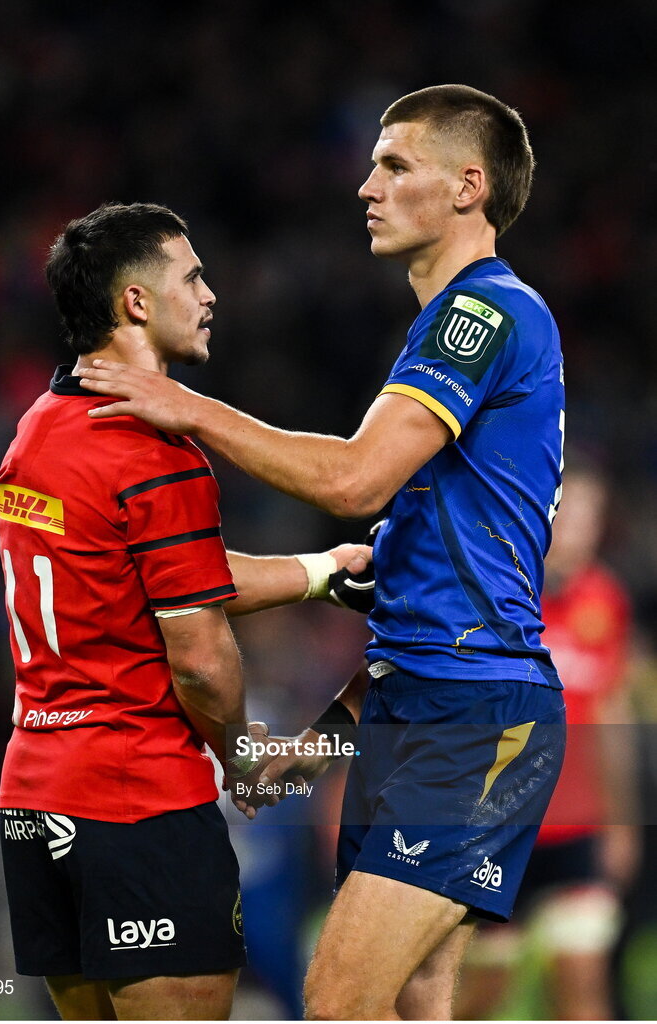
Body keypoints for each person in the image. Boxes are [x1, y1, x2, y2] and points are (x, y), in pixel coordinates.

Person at [79, 83, 568, 1020]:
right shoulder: (446, 333)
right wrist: (321, 741)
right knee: (415, 1002)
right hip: (416, 702)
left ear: (468, 187)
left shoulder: (487, 315)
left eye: (394, 165)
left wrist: (188, 406)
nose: (365, 186)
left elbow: (352, 482)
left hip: (471, 719)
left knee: (339, 999)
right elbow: (414, 595)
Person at [0, 201, 371, 1022]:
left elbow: (164, 576)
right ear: (135, 302)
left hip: (35, 800)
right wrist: (241, 758)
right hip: (137, 802)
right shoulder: (153, 450)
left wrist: (318, 573)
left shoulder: (39, 432)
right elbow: (199, 656)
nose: (209, 295)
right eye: (192, 277)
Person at [455, 464, 639, 1021]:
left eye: (592, 516)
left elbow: (612, 714)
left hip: (578, 830)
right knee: (484, 994)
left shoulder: (605, 601)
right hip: (499, 832)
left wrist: (623, 822)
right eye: (570, 514)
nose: (580, 529)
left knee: (583, 994)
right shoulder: (499, 597)